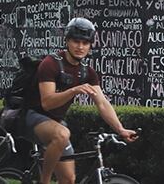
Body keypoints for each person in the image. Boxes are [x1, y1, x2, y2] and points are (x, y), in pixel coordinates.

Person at [27, 17, 138, 184]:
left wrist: (120, 129)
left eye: (85, 43)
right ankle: (45, 181)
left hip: (56, 121)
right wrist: (74, 90)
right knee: (62, 134)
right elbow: (47, 103)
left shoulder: (88, 72)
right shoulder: (50, 63)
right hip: (33, 116)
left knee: (69, 179)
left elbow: (102, 103)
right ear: (67, 41)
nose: (80, 47)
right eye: (76, 41)